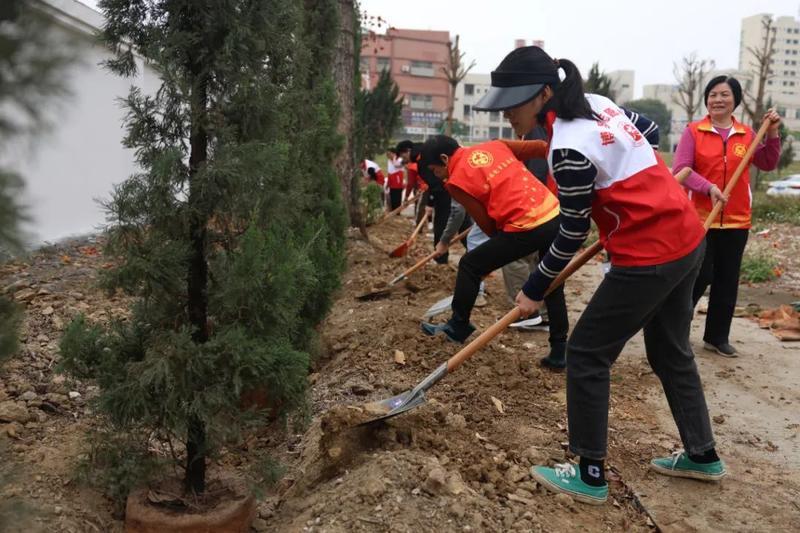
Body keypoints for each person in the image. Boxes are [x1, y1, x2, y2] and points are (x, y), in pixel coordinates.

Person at [474, 46, 724, 505]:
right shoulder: (598, 104)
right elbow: (647, 132)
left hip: (648, 255)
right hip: (686, 238)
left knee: (587, 353)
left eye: (513, 102)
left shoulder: (569, 147)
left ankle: (589, 473)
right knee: (670, 352)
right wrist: (630, 184)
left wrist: (533, 289)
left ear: (543, 94)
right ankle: (702, 454)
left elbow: (571, 232)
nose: (506, 113)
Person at [418, 135, 569, 369]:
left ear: (445, 159)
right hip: (554, 213)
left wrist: (498, 250)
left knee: (470, 265)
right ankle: (559, 352)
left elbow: (486, 223)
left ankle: (457, 326)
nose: (437, 175)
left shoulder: (456, 182)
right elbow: (541, 148)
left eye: (434, 170)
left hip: (525, 225)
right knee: (552, 282)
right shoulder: (495, 145)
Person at [673, 76, 782, 357]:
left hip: (736, 220)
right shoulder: (694, 131)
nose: (718, 100)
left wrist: (771, 133)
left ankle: (717, 337)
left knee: (727, 280)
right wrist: (708, 187)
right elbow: (681, 170)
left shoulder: (746, 134)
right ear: (706, 99)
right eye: (713, 94)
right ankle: (675, 331)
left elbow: (768, 163)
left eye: (724, 94)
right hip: (700, 219)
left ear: (735, 100)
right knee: (699, 276)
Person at [410, 143, 456, 264]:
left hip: (444, 195)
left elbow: (435, 184)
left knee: (441, 225)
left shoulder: (425, 163)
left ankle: (441, 259)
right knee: (460, 224)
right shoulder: (426, 162)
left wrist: (430, 203)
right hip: (445, 194)